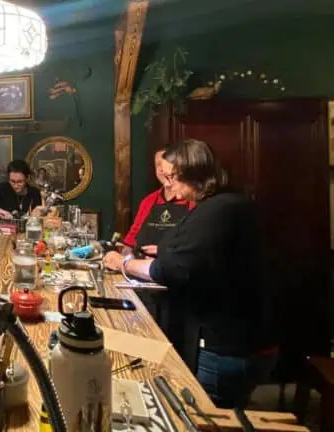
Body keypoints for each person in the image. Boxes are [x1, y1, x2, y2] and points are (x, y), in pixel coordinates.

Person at [103, 139, 277, 408]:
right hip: (234, 341)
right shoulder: (220, 205)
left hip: (228, 345)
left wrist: (122, 263)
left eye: (172, 176)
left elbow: (169, 270)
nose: (167, 183)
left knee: (206, 417)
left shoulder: (218, 210)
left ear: (192, 173)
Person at [124, 148, 194, 256]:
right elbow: (130, 241)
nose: (162, 170)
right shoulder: (148, 201)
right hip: (141, 266)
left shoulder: (193, 201)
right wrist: (124, 259)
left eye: (166, 165)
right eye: (158, 165)